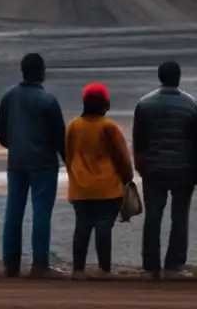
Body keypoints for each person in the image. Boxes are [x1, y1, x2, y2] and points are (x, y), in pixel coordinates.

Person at [0, 52, 67, 278]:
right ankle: (39, 264)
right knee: (41, 213)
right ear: (42, 72)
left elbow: (1, 132)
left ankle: (11, 263)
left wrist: (15, 146)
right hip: (43, 163)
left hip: (16, 162)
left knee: (14, 211)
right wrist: (70, 163)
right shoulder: (48, 101)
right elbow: (59, 137)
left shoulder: (8, 97)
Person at [133, 60, 197, 280]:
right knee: (179, 216)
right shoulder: (191, 104)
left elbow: (139, 139)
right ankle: (174, 265)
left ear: (160, 77)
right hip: (183, 169)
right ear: (178, 78)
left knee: (153, 217)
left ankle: (150, 266)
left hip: (153, 169)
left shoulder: (144, 104)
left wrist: (140, 165)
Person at [64, 82, 134, 279]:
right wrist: (127, 178)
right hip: (107, 187)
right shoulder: (109, 127)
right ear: (105, 104)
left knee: (82, 227)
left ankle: (78, 270)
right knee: (103, 227)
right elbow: (122, 157)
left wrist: (74, 176)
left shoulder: (73, 126)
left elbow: (68, 154)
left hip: (80, 186)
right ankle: (104, 269)